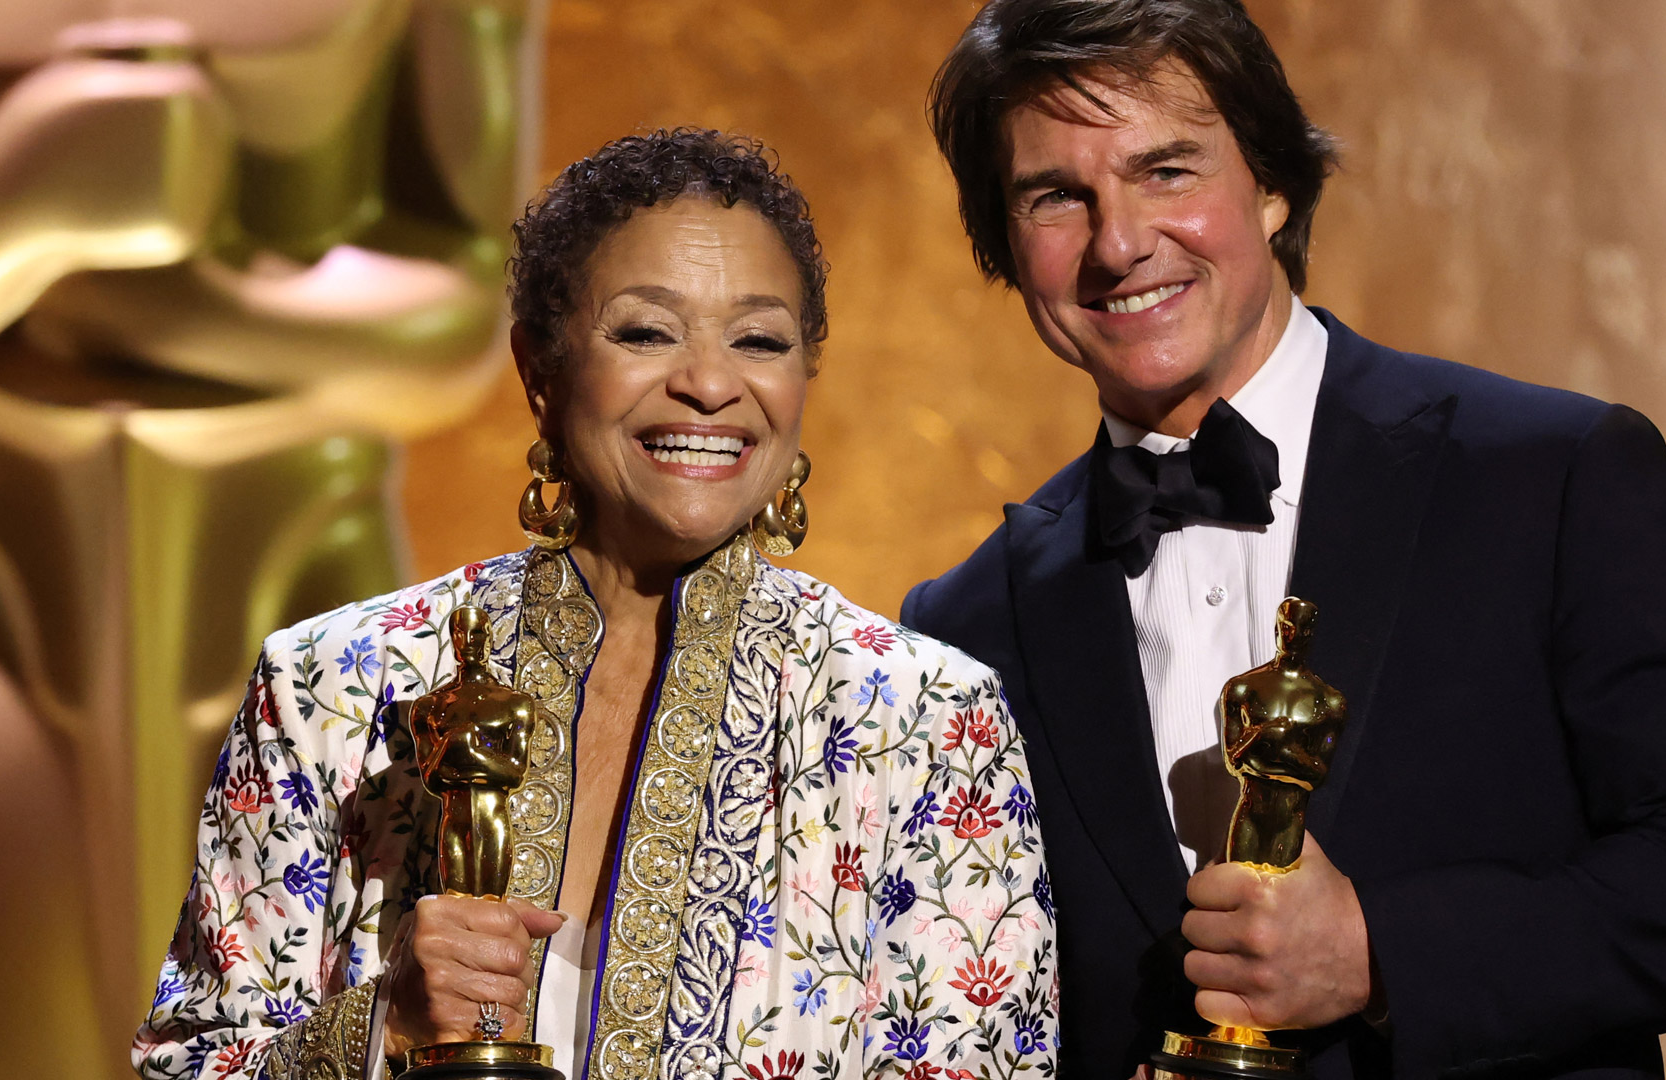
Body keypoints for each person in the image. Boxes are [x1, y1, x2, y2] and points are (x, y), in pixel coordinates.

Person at [902, 2, 1666, 1078]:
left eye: (1168, 170)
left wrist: (1381, 953)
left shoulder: (1551, 476)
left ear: (1274, 183)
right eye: (1057, 196)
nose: (1118, 243)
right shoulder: (967, 623)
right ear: (1004, 245)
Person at [135, 129, 1059, 1080]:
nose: (708, 383)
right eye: (645, 331)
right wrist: (382, 1028)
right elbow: (189, 1065)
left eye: (759, 339)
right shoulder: (332, 689)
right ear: (540, 372)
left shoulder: (926, 720)